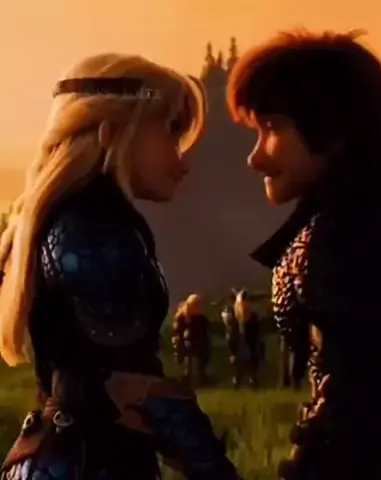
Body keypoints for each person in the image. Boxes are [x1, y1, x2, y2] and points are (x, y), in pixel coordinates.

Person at [0, 54, 239, 479]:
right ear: (115, 130)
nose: (182, 161)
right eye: (171, 132)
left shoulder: (74, 219)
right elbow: (135, 387)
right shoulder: (92, 229)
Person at [226, 30, 381, 479]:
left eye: (273, 128)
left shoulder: (343, 235)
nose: (255, 158)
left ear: (332, 132)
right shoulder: (365, 219)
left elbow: (353, 402)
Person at [224, 290, 262, 388]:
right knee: (243, 359)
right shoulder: (237, 318)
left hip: (245, 342)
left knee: (244, 359)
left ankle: (243, 378)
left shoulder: (236, 317)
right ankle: (244, 378)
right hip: (243, 342)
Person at [172, 294, 211, 387]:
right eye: (196, 305)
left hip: (199, 343)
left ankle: (201, 379)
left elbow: (205, 330)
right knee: (188, 362)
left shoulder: (201, 318)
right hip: (187, 344)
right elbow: (177, 331)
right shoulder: (182, 317)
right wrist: (179, 340)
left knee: (200, 362)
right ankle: (186, 379)